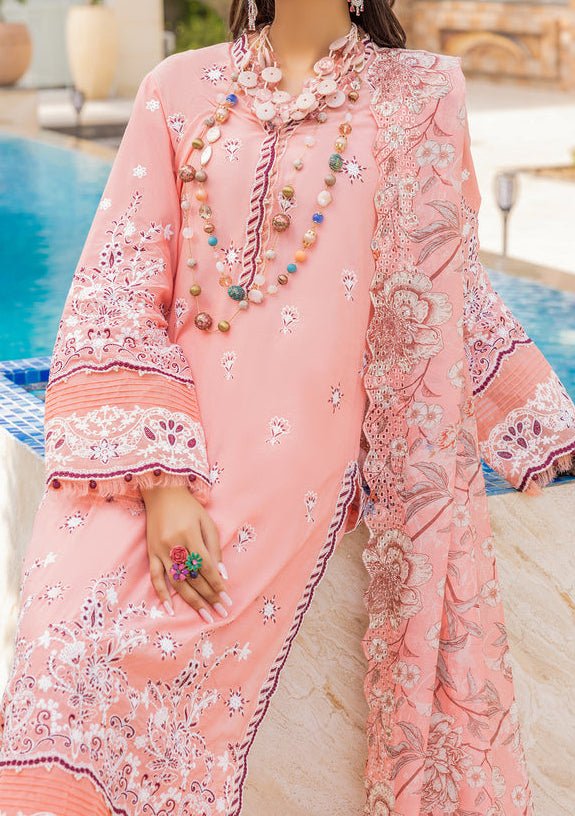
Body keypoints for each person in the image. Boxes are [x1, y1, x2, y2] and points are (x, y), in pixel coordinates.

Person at [1, 0, 574, 814]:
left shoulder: (419, 96)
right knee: (63, 640)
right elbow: (116, 286)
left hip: (288, 462)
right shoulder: (178, 87)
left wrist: (539, 424)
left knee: (149, 644)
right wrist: (161, 485)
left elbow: (448, 293)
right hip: (155, 442)